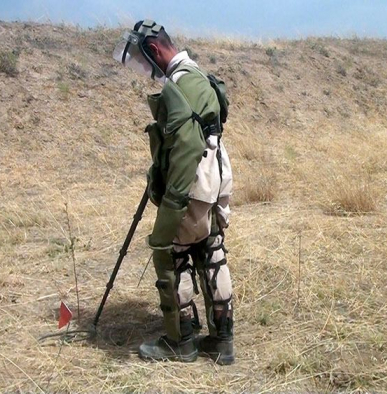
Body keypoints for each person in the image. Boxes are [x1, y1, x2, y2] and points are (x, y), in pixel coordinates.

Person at [113, 20, 235, 365]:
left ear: (154, 51)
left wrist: (171, 204)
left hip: (192, 184)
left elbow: (184, 147)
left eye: (141, 60)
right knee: (211, 249)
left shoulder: (178, 86)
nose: (143, 69)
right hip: (216, 178)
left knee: (171, 252)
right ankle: (222, 339)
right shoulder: (199, 75)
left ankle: (180, 341)